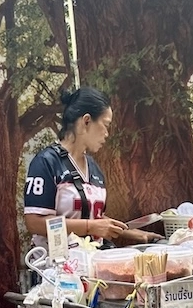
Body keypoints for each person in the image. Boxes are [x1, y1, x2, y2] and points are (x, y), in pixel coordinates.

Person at [24, 87, 162, 248]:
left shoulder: (93, 167)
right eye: (106, 125)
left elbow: (93, 218)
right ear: (86, 121)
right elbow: (35, 223)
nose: (107, 134)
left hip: (92, 258)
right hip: (56, 261)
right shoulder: (46, 162)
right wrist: (89, 227)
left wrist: (135, 234)